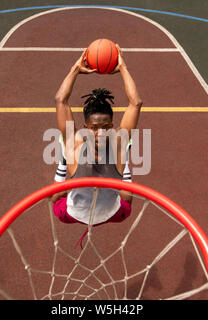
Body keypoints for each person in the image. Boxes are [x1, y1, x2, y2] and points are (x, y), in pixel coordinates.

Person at [52, 44, 143, 228]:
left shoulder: (74, 145)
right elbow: (134, 103)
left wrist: (75, 69)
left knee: (55, 198)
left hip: (73, 214)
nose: (100, 133)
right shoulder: (117, 141)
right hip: (113, 213)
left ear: (111, 126)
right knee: (126, 196)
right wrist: (122, 68)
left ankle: (63, 162)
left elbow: (61, 100)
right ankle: (123, 167)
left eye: (106, 127)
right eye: (94, 128)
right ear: (86, 127)